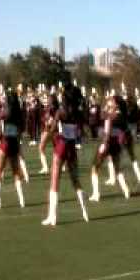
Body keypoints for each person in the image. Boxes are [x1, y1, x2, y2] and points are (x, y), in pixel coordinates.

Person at [42, 83, 89, 226]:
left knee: (54, 181)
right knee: (76, 181)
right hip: (72, 147)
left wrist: (49, 132)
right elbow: (83, 129)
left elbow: (53, 129)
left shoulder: (61, 111)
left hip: (61, 145)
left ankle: (52, 216)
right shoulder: (78, 112)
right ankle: (85, 211)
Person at [0, 91, 26, 209]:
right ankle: (21, 200)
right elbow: (22, 129)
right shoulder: (19, 113)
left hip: (6, 142)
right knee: (16, 172)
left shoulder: (5, 111)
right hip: (15, 142)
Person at [89, 95, 131, 202]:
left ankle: (96, 194)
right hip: (116, 144)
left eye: (111, 101)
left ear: (116, 104)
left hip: (107, 142)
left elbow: (107, 129)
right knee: (117, 169)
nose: (109, 101)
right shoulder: (122, 116)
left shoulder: (110, 115)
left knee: (94, 168)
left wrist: (104, 143)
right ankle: (126, 190)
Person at [38, 93, 59, 174]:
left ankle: (46, 167)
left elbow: (52, 119)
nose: (44, 100)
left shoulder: (51, 108)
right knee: (55, 148)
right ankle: (52, 166)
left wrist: (49, 122)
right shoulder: (45, 108)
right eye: (43, 98)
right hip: (48, 130)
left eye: (46, 98)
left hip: (49, 130)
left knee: (41, 148)